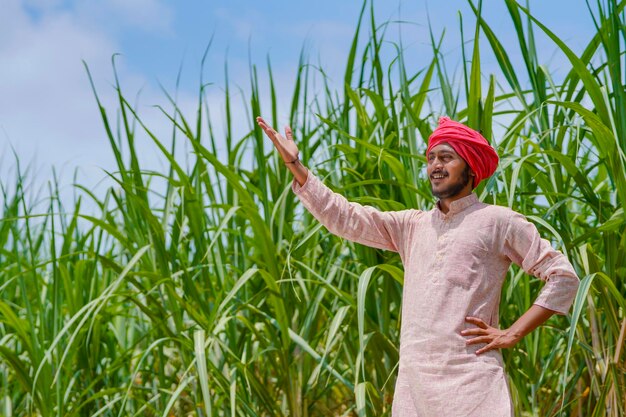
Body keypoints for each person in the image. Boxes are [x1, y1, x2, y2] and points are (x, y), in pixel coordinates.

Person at [255, 115, 580, 417]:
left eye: (446, 157)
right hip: (415, 391)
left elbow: (563, 276)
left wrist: (513, 332)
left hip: (473, 386)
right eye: (431, 158)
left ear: (470, 168)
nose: (435, 166)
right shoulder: (412, 226)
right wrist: (294, 164)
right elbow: (345, 218)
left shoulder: (498, 221)